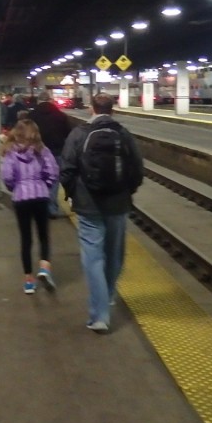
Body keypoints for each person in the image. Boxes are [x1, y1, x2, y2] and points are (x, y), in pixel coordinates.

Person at [58, 93, 144, 333]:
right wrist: (126, 192)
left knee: (93, 258)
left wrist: (73, 194)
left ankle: (99, 316)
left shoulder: (79, 134)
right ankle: (108, 294)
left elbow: (66, 169)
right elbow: (137, 170)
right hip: (118, 204)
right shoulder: (124, 134)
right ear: (112, 110)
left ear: (91, 109)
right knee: (114, 253)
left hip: (88, 205)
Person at [0, 119, 60, 294]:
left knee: (26, 239)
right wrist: (45, 185)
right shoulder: (42, 150)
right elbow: (53, 171)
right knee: (43, 235)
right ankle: (44, 268)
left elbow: (7, 176)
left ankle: (28, 281)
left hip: (21, 198)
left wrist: (15, 188)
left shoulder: (11, 152)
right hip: (40, 195)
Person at [28, 91, 72, 218]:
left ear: (39, 101)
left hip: (36, 152)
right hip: (56, 151)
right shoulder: (61, 116)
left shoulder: (31, 116)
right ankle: (51, 209)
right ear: (51, 100)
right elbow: (68, 134)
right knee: (53, 179)